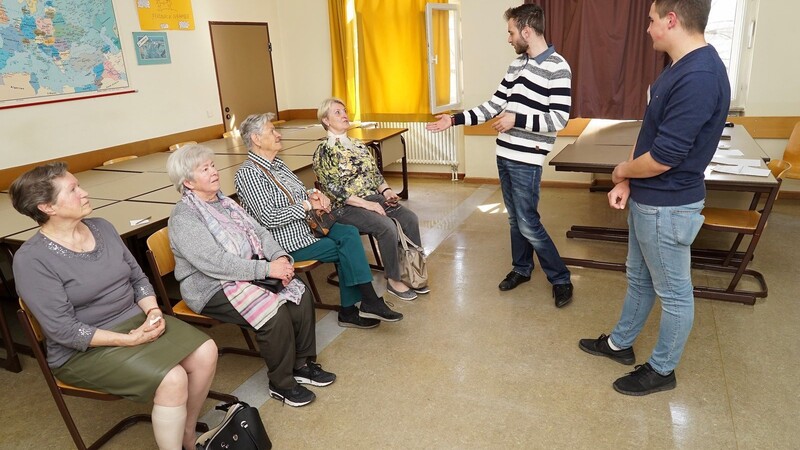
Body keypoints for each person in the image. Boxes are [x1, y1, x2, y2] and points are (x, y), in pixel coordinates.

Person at [579, 0, 730, 396]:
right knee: (639, 278)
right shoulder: (677, 68)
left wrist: (620, 171)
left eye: (650, 20)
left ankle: (663, 370)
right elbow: (651, 135)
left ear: (672, 20)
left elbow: (664, 157)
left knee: (675, 294)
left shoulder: (700, 75)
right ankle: (620, 344)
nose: (646, 28)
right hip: (650, 200)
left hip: (669, 207)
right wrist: (628, 181)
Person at [10, 163, 217, 450]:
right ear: (47, 207)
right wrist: (128, 340)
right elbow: (64, 330)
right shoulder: (32, 260)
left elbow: (138, 279)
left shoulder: (102, 227)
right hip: (83, 350)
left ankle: (187, 433)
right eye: (73, 189)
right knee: (173, 378)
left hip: (135, 322)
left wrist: (153, 312)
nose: (84, 193)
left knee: (206, 350)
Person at [426, 3, 573, 308]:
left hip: (527, 158)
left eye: (511, 31)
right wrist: (453, 119)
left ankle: (560, 278)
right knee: (514, 220)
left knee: (528, 222)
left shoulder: (558, 67)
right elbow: (493, 106)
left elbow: (558, 119)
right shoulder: (516, 66)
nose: (509, 38)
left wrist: (515, 119)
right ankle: (522, 268)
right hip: (504, 154)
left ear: (527, 31)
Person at [166, 144, 336, 407]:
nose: (214, 172)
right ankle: (281, 383)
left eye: (212, 166)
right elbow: (216, 263)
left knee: (298, 292)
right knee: (274, 311)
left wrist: (280, 258)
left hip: (247, 271)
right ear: (188, 182)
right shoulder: (184, 217)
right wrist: (268, 269)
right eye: (205, 169)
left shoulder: (225, 202)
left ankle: (301, 364)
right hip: (210, 285)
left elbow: (261, 232)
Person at [234, 112, 403, 327]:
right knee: (346, 249)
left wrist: (315, 193)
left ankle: (360, 306)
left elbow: (299, 190)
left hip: (309, 227)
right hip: (285, 242)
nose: (278, 135)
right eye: (272, 131)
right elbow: (268, 217)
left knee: (349, 233)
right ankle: (360, 305)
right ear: (256, 139)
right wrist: (306, 205)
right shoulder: (248, 174)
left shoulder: (277, 164)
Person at [313, 98, 429, 301]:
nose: (344, 115)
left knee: (410, 218)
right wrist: (368, 204)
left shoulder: (357, 145)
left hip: (372, 199)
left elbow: (375, 175)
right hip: (345, 208)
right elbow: (334, 191)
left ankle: (413, 272)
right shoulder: (324, 151)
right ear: (326, 120)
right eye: (337, 112)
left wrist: (386, 192)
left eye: (345, 111)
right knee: (386, 226)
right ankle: (394, 279)